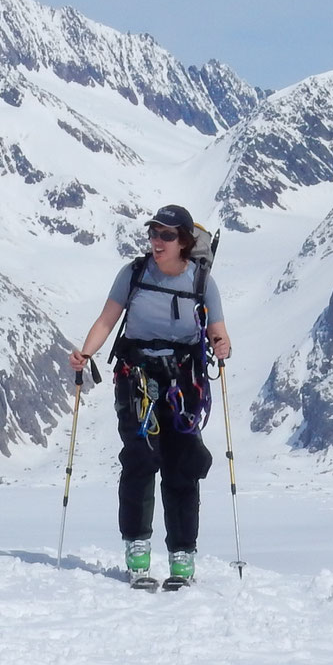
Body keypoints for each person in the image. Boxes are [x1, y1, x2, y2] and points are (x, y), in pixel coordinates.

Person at [69, 204, 231, 589]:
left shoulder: (202, 281)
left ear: (185, 242)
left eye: (167, 235)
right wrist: (85, 353)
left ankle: (182, 555)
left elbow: (219, 332)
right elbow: (108, 319)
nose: (157, 241)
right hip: (136, 373)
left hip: (183, 379)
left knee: (182, 463)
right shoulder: (134, 273)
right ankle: (137, 548)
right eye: (154, 233)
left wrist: (222, 346)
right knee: (140, 457)